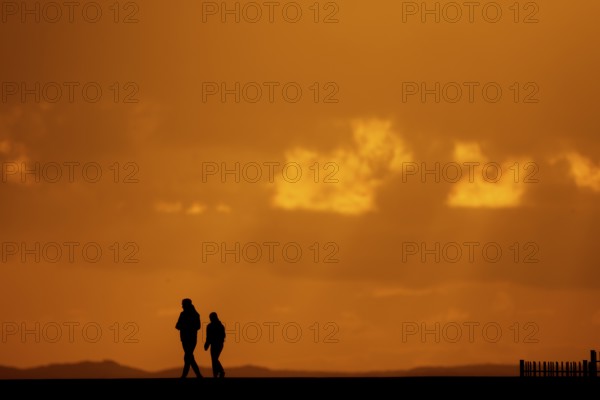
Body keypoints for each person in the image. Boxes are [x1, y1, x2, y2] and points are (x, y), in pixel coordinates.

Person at [175, 298, 203, 378]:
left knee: (188, 356)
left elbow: (198, 326)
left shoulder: (195, 314)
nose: (182, 306)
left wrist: (186, 326)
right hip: (184, 339)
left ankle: (185, 375)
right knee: (189, 357)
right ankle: (198, 375)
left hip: (191, 339)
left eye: (183, 305)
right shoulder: (183, 314)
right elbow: (177, 326)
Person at [204, 311, 226, 378]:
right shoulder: (220, 326)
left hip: (217, 344)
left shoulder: (211, 326)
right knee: (214, 359)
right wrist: (207, 344)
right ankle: (216, 374)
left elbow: (209, 337)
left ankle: (220, 372)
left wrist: (206, 344)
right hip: (217, 344)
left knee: (214, 359)